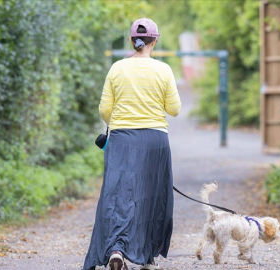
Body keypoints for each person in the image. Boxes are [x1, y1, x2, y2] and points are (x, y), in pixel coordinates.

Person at [83, 18, 181, 270]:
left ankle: (117, 248)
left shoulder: (117, 68)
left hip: (122, 140)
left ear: (131, 41)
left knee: (119, 195)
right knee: (151, 195)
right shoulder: (163, 70)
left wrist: (119, 118)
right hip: (154, 140)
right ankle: (146, 257)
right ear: (155, 41)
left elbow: (105, 110)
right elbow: (174, 109)